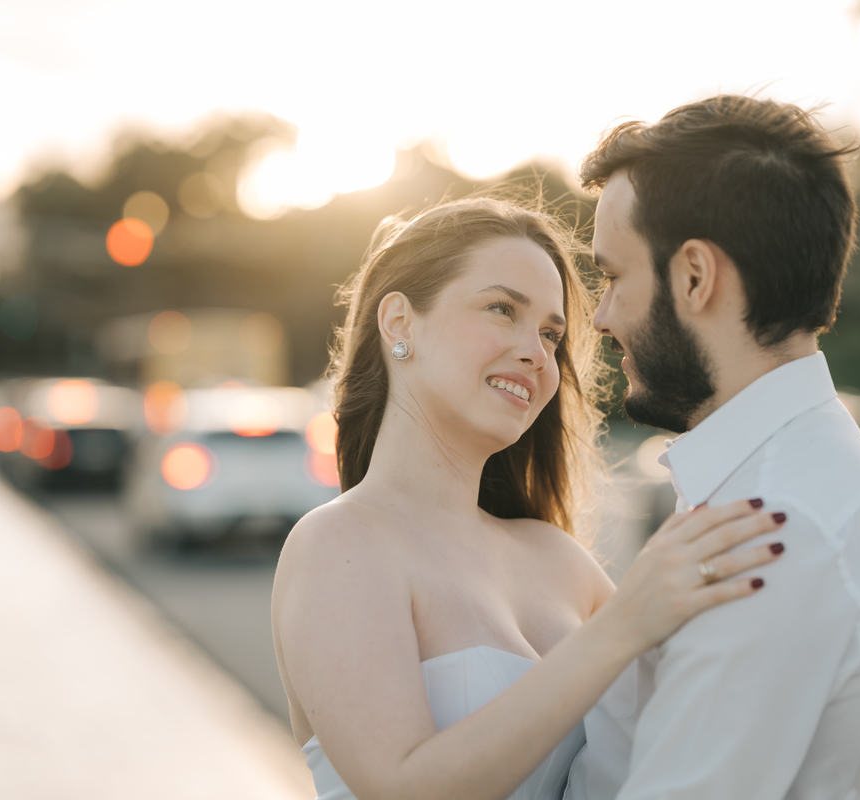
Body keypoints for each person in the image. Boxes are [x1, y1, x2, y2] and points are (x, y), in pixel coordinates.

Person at [270, 197, 787, 800]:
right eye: (501, 309)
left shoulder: (559, 559)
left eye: (550, 334)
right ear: (399, 324)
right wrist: (620, 629)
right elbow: (401, 786)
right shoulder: (339, 544)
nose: (537, 354)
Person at [565, 95, 860, 800]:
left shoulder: (774, 527)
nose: (603, 316)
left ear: (695, 276)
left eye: (613, 276)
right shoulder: (786, 478)